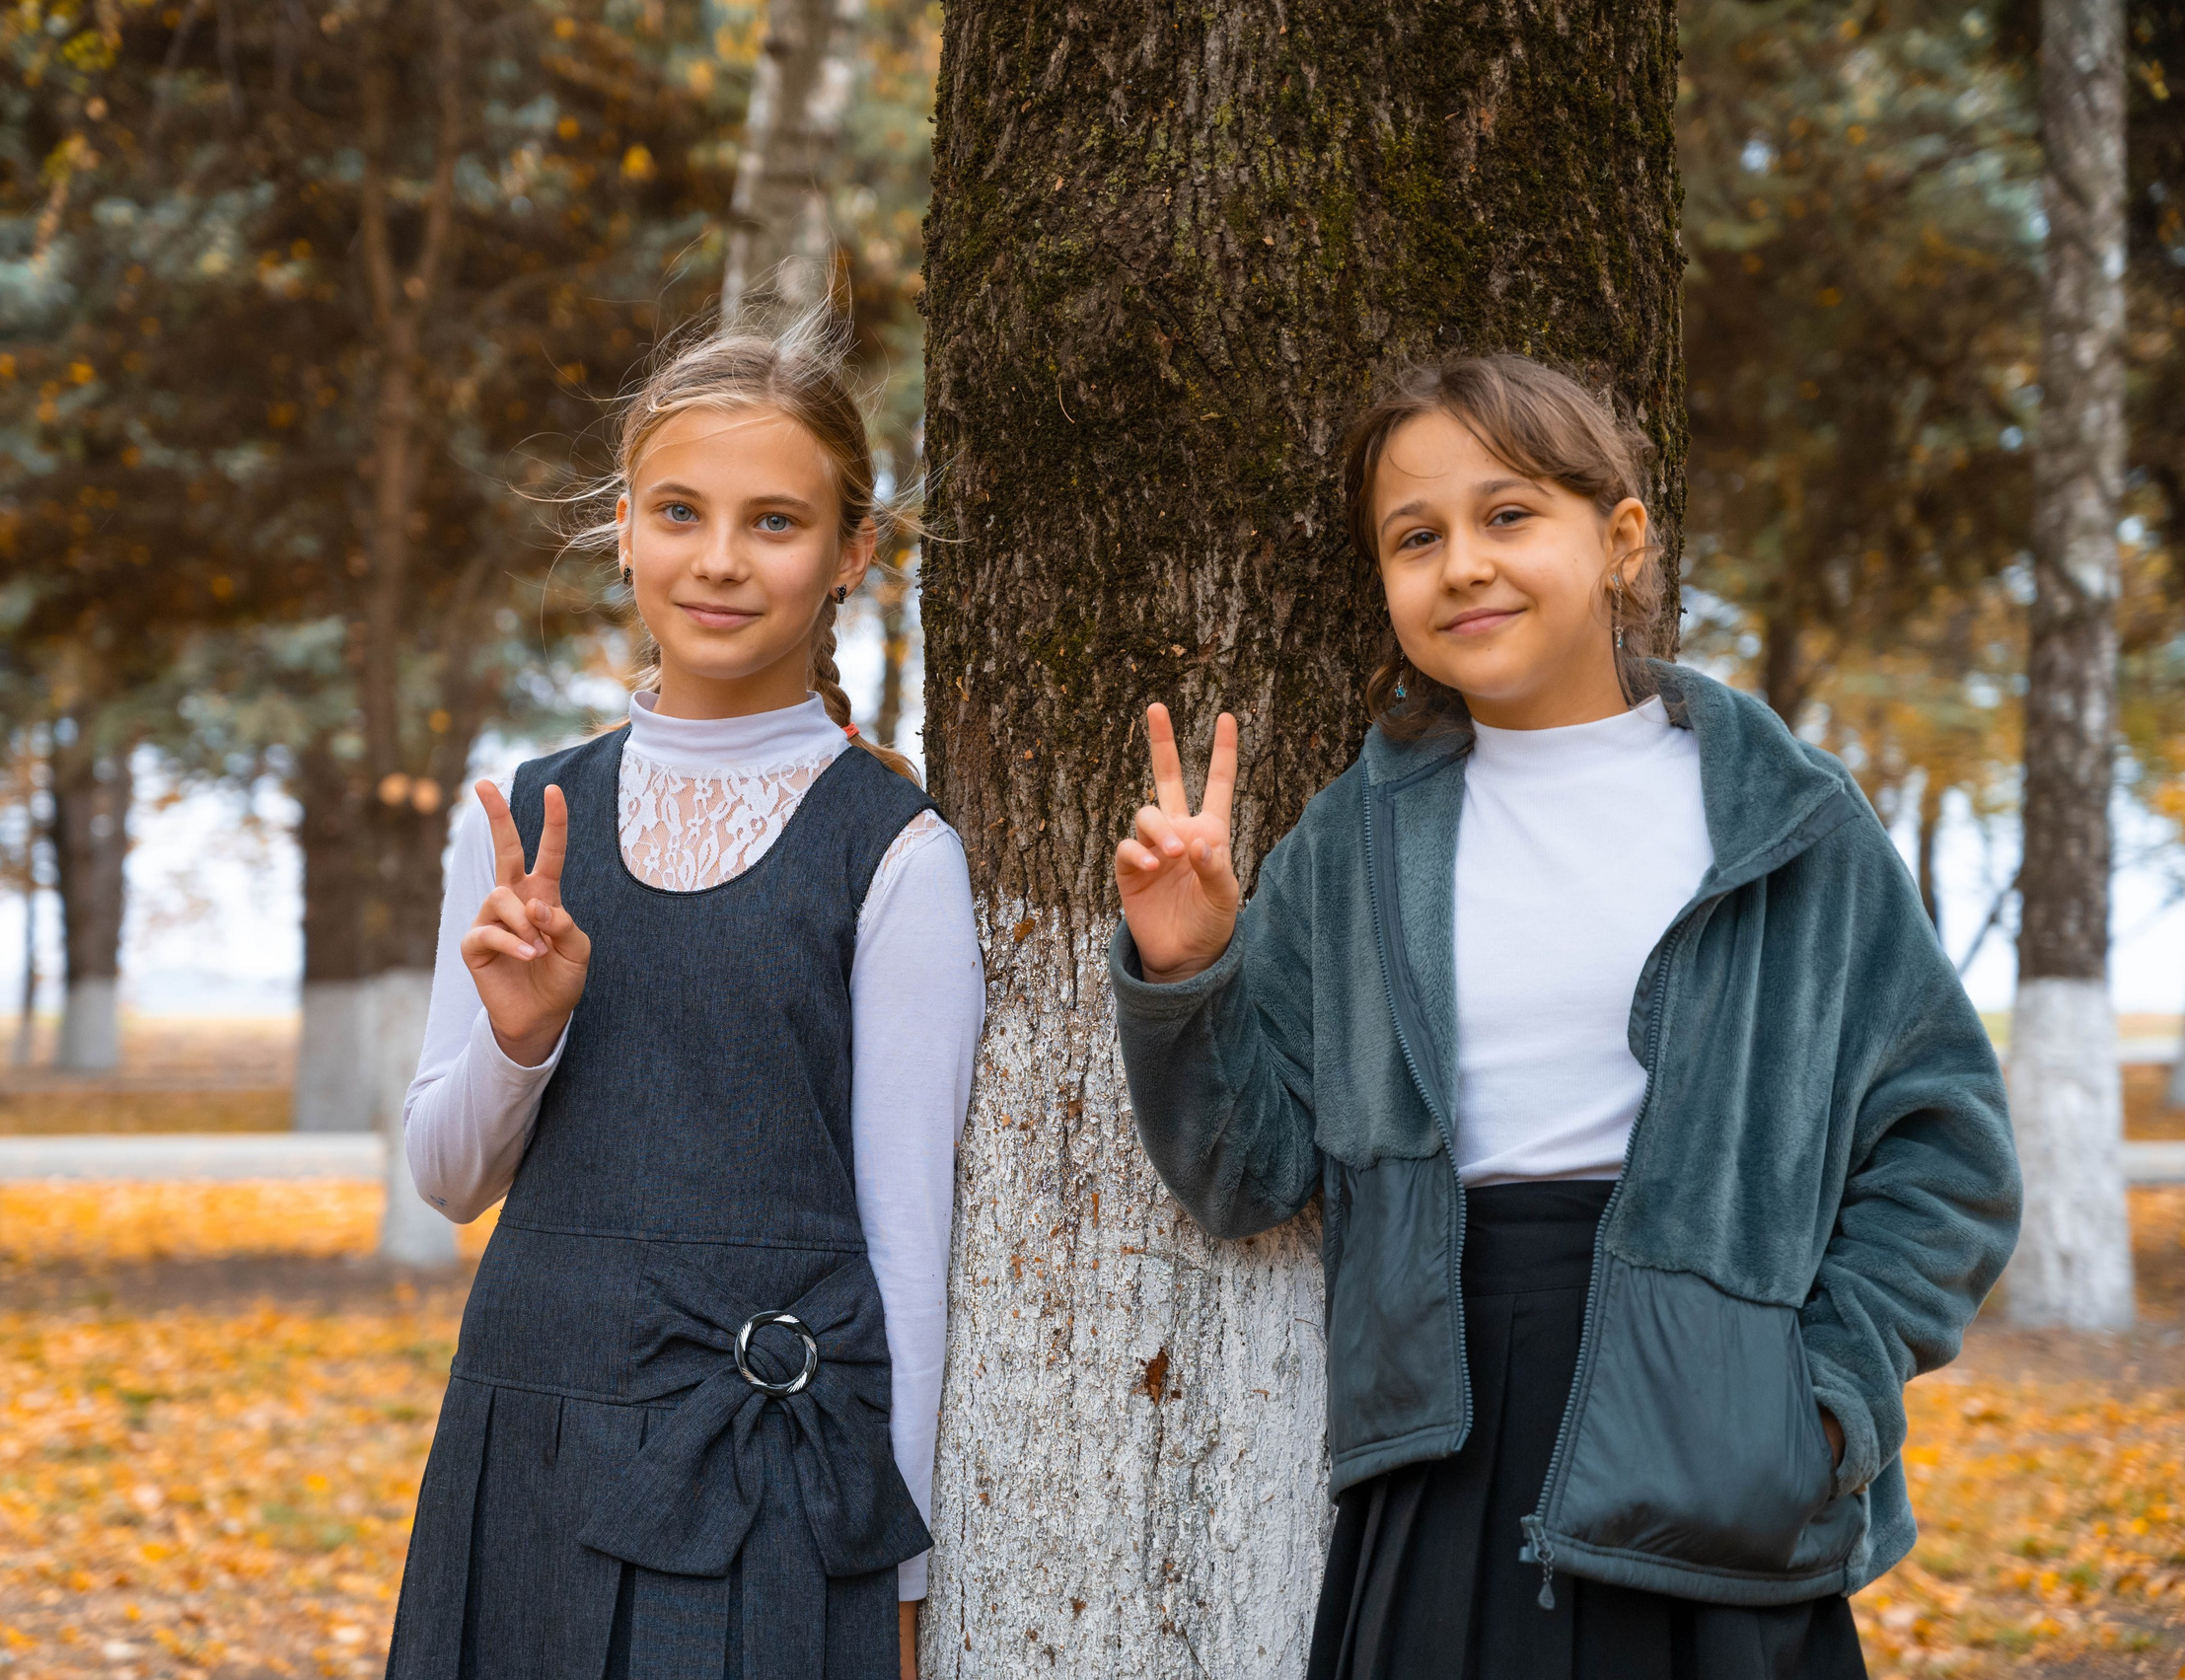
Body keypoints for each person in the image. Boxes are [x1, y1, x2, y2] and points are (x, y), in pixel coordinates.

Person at [1107, 353, 2020, 1679]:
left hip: (1724, 1442)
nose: (1463, 563)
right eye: (1415, 539)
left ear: (1621, 541)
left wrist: (1823, 1403)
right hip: (1446, 1440)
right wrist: (1186, 968)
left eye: (1509, 515)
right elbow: (1246, 1174)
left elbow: (1949, 1154)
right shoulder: (1355, 845)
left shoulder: (1788, 821)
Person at [383, 314, 983, 1680]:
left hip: (766, 1472)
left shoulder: (895, 853)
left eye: (774, 521)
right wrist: (520, 1042)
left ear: (852, 555)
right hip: (528, 1423)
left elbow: (907, 1236)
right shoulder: (523, 819)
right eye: (679, 512)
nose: (719, 560)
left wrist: (902, 1562)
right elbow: (444, 1172)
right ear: (624, 528)